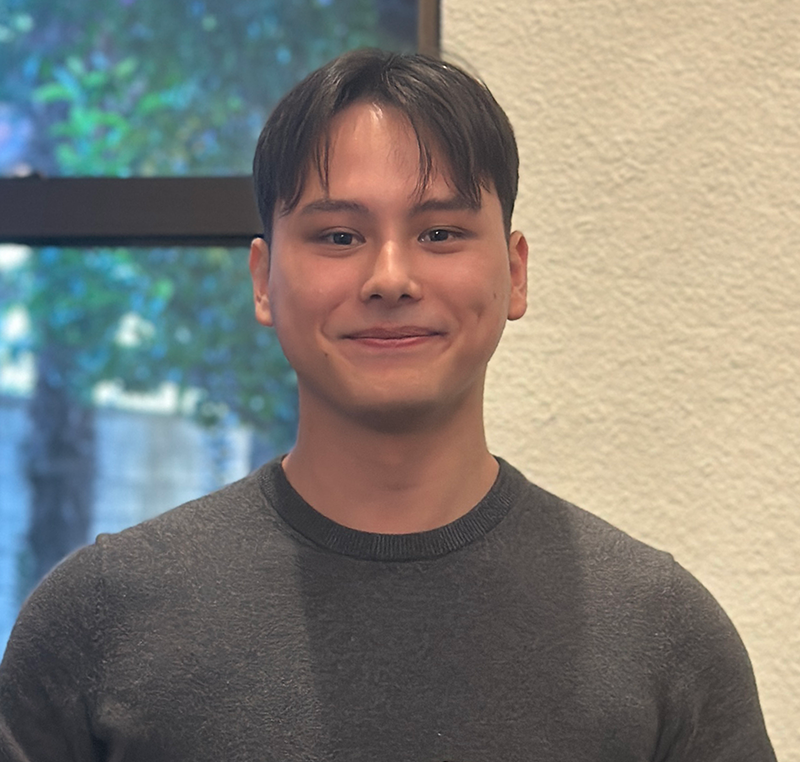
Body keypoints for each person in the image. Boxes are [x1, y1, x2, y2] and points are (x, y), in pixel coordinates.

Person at [0, 49, 776, 761]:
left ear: (515, 273)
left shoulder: (660, 635)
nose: (391, 278)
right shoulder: (99, 620)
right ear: (264, 281)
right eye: (340, 237)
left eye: (440, 232)